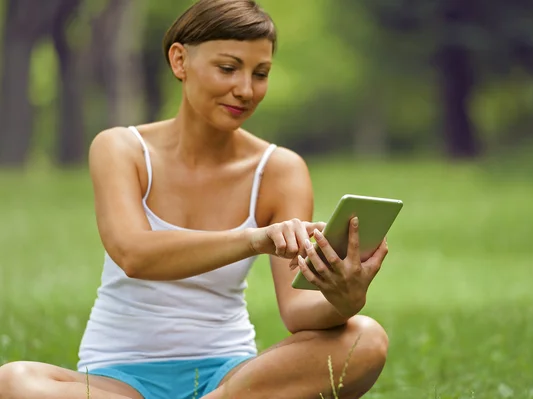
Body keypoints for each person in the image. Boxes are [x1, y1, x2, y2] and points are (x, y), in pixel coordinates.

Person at [0, 1, 390, 398]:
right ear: (180, 60)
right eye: (228, 68)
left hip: (231, 382)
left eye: (260, 74)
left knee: (366, 338)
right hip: (117, 382)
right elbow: (135, 254)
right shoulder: (121, 148)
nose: (245, 89)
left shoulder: (280, 170)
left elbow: (297, 311)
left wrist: (345, 299)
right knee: (14, 382)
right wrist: (257, 238)